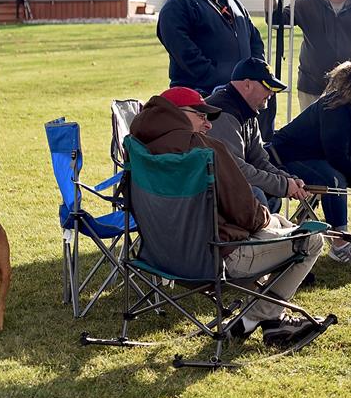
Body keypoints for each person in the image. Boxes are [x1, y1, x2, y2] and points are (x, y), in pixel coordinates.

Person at [129, 86, 323, 349]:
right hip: (215, 258)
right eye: (201, 116)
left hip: (160, 256)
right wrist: (263, 220)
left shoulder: (138, 146)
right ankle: (251, 319)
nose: (208, 125)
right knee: (312, 239)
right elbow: (246, 211)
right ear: (179, 114)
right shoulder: (203, 149)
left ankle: (275, 323)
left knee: (283, 223)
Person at [267, 59, 351, 267]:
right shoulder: (336, 105)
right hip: (292, 155)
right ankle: (340, 245)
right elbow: (337, 157)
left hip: (325, 157)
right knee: (334, 179)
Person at [205, 58, 312, 211]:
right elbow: (235, 170)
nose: (271, 94)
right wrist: (283, 185)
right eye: (268, 87)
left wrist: (288, 180)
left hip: (225, 184)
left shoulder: (247, 111)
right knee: (256, 194)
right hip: (209, 189)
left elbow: (259, 160)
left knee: (270, 196)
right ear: (247, 84)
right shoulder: (223, 113)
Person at [157, 0, 265, 94]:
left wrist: (255, 76)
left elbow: (255, 42)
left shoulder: (234, 4)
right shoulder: (180, 3)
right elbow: (182, 49)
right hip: (200, 95)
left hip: (240, 94)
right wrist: (214, 76)